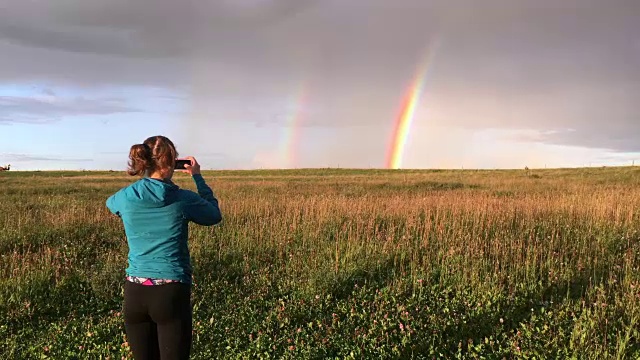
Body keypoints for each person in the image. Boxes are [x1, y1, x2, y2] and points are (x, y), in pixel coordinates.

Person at [106, 135, 222, 359]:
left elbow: (111, 205)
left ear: (145, 162)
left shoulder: (126, 197)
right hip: (170, 292)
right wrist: (197, 177)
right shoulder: (183, 199)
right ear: (171, 163)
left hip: (135, 291)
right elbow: (214, 215)